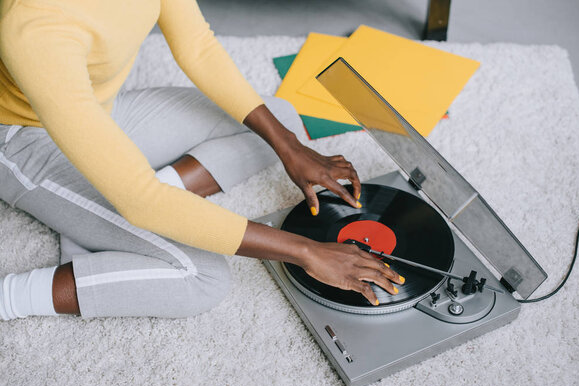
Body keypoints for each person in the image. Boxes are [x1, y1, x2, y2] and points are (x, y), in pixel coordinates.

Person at [0, 0, 403, 321]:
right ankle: (11, 296)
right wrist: (307, 251)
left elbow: (197, 46)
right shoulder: (33, 24)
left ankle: (116, 210)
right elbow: (141, 201)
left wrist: (290, 147)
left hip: (99, 108)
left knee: (279, 117)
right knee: (202, 277)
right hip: (23, 140)